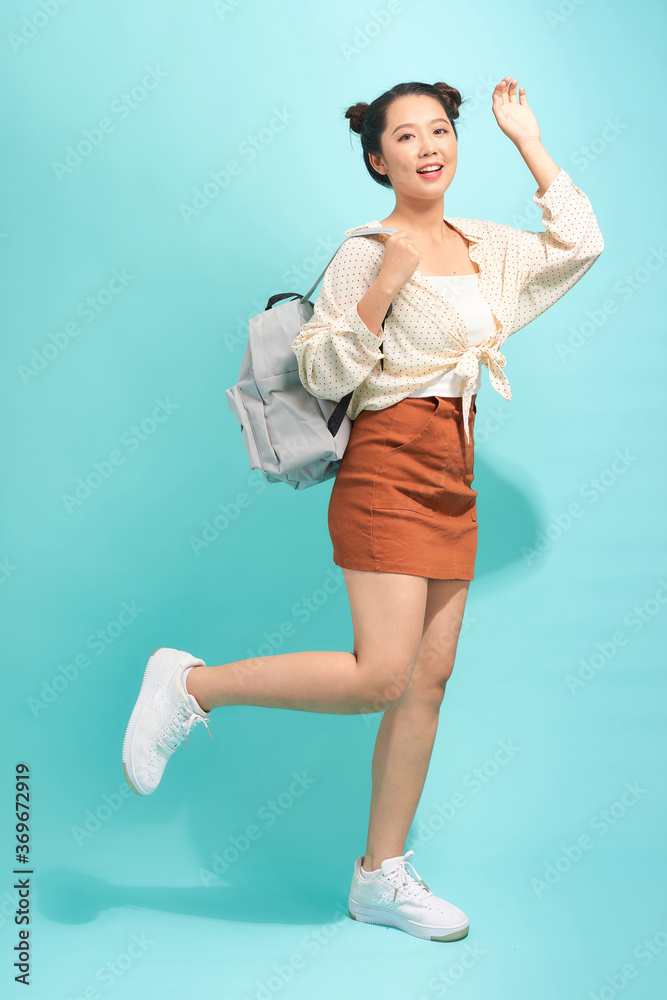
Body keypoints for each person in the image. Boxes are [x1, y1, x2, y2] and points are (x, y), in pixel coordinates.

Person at [122, 77, 604, 943]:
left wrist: (529, 142)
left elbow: (580, 243)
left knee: (425, 683)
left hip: (452, 465)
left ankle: (379, 879)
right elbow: (324, 374)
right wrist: (383, 283)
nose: (428, 146)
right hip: (386, 463)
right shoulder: (364, 247)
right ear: (377, 159)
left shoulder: (481, 243)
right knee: (381, 674)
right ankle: (189, 686)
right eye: (406, 136)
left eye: (441, 131)